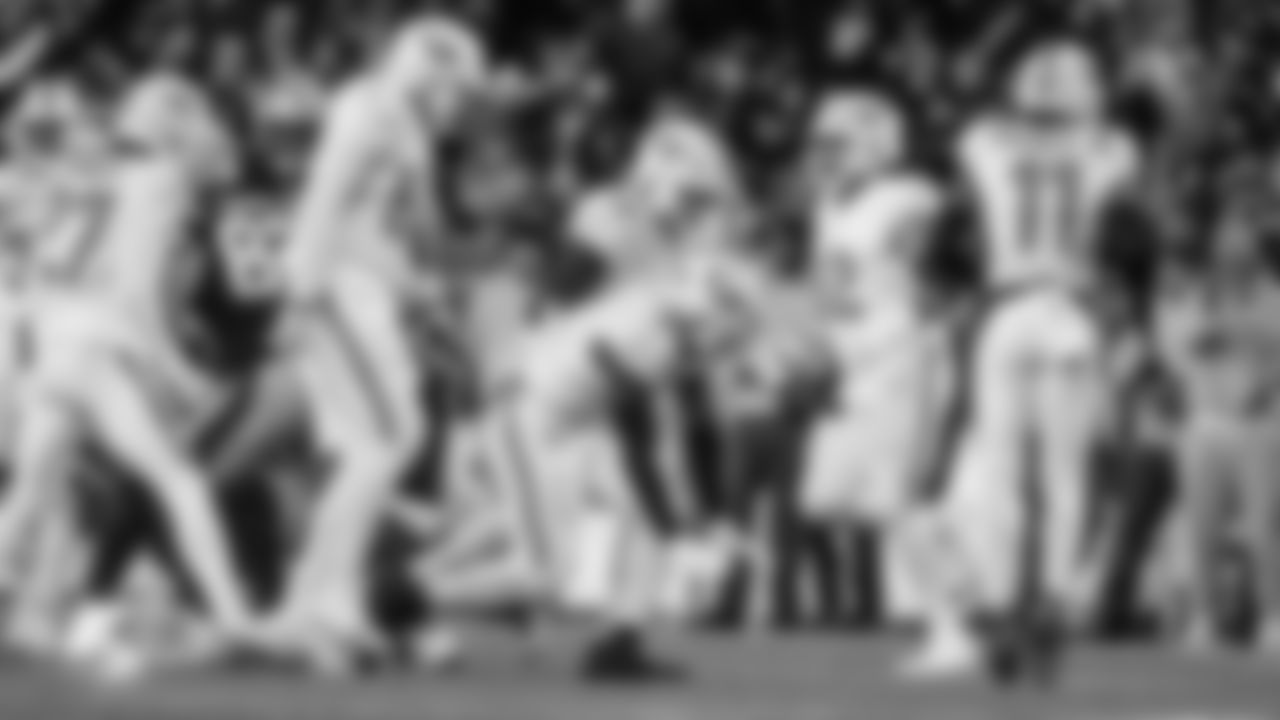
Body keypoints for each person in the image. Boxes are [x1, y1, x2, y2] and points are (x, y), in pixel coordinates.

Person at [900, 37, 1142, 680]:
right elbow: (1129, 228)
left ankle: (1006, 607)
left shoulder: (984, 141)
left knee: (1005, 475)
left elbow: (960, 204)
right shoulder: (1112, 148)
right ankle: (1054, 607)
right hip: (1073, 315)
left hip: (1005, 315)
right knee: (1065, 477)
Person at [0, 73, 255, 674]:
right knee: (177, 479)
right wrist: (171, 368)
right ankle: (235, 614)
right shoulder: (157, 183)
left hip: (54, 345)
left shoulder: (75, 180)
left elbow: (44, 272)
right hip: (92, 347)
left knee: (33, 490)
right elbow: (138, 292)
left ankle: (31, 611)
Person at [268, 15, 489, 668]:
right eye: (459, 89)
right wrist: (303, 284)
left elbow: (403, 234)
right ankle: (329, 602)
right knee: (391, 438)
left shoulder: (405, 126)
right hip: (336, 286)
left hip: (362, 291)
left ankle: (310, 601)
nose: (463, 105)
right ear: (430, 74)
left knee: (377, 446)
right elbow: (326, 198)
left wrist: (424, 298)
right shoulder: (369, 110)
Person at [798, 88, 954, 627]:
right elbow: (825, 293)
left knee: (895, 502)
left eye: (835, 143)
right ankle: (943, 600)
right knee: (821, 502)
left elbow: (932, 270)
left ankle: (961, 610)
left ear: (873, 143)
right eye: (821, 143)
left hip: (897, 361)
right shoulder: (827, 205)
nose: (822, 154)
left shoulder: (908, 197)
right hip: (846, 367)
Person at [1154, 212, 1280, 654]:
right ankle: (1204, 619)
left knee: (1262, 526)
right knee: (1201, 527)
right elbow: (1178, 346)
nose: (1233, 257)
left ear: (1256, 253)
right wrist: (1206, 330)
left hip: (1257, 422)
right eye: (1227, 248)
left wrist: (1239, 336)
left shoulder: (1272, 296)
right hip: (1204, 419)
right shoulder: (1199, 294)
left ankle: (1272, 619)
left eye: (1242, 248)